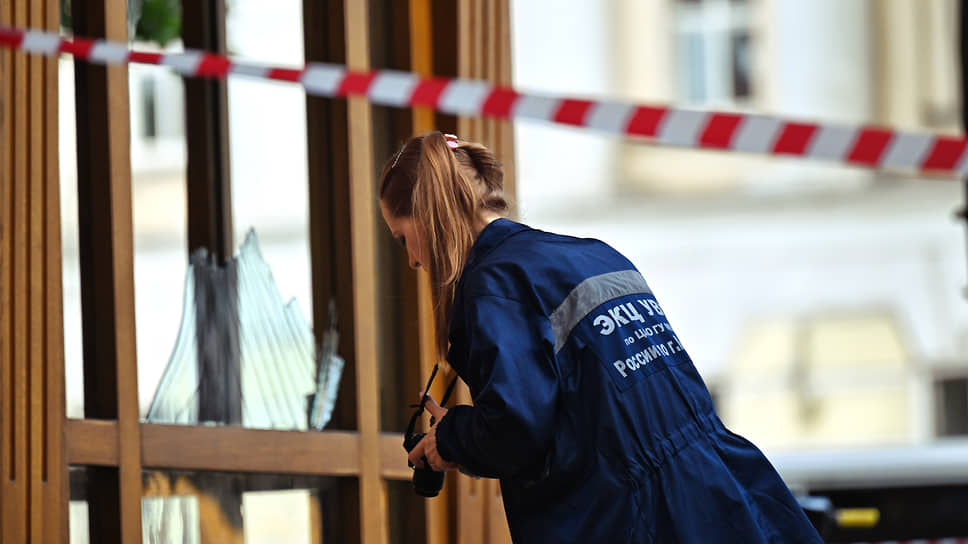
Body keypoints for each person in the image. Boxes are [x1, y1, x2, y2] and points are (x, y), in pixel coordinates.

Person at [380, 131, 822, 543]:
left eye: (403, 240)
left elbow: (517, 428)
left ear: (432, 214)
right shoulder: (595, 255)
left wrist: (451, 438)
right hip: (722, 489)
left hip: (635, 518)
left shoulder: (495, 284)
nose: (414, 262)